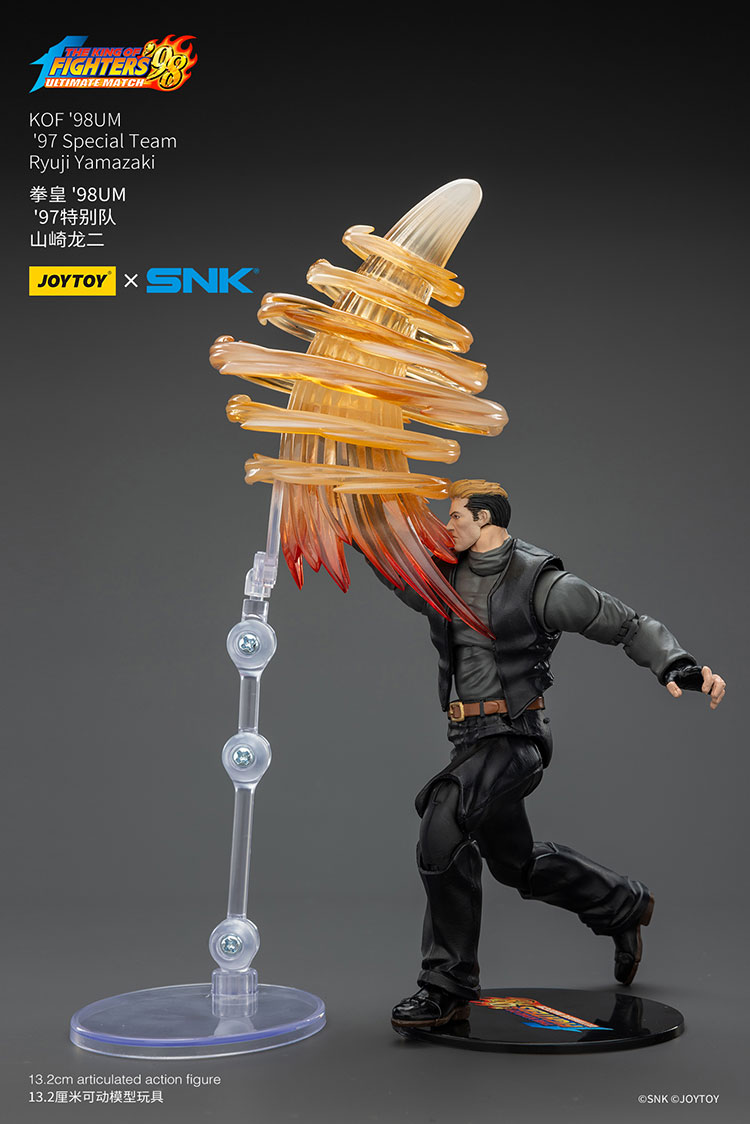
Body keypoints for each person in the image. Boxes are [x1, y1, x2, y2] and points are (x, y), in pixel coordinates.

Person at [367, 479, 726, 1030]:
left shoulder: (541, 583)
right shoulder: (445, 576)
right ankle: (622, 905)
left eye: (456, 515)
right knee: (516, 865)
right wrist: (351, 521)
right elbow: (397, 572)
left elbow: (624, 623)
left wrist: (676, 664)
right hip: (468, 740)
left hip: (516, 737)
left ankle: (446, 984)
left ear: (485, 518)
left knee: (443, 819)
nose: (447, 524)